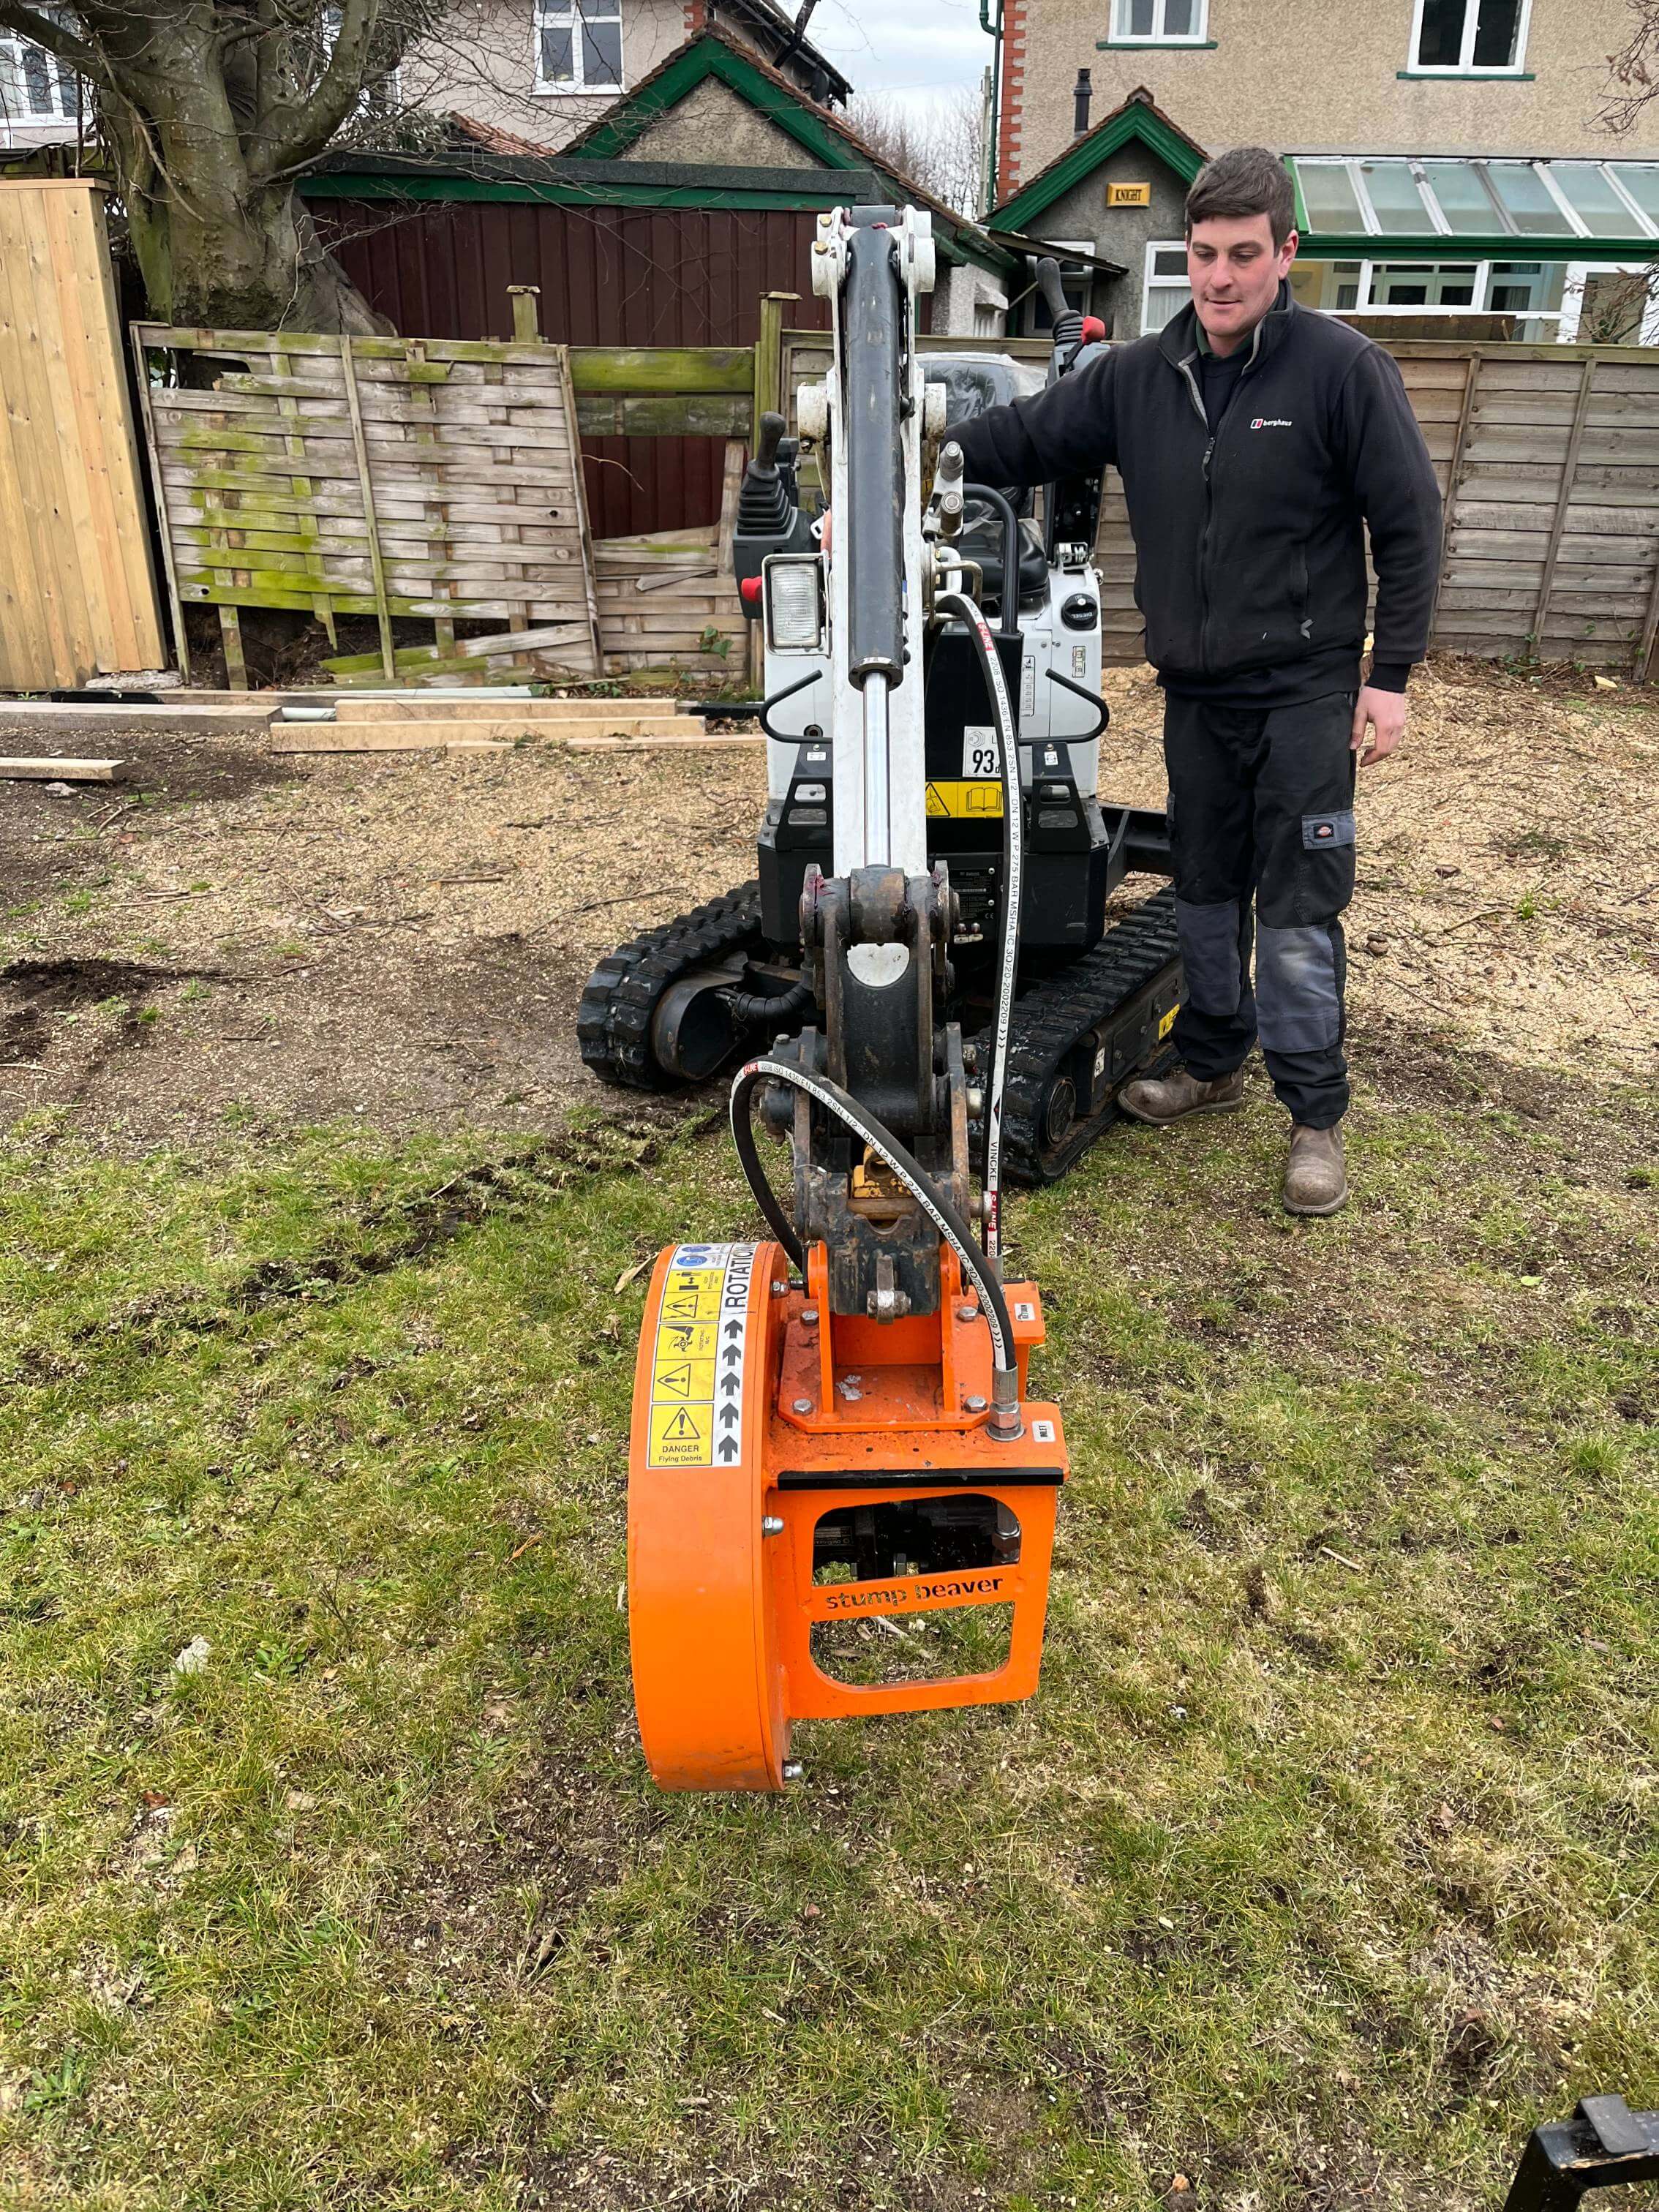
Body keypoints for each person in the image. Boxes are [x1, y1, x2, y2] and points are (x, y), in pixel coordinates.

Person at [947, 146, 1442, 1216]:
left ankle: (1314, 1117)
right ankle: (1213, 1064)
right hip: (1198, 696)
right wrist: (906, 463)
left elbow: (1411, 527)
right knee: (1206, 891)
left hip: (1306, 691)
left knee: (1299, 909)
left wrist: (1390, 675)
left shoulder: (1342, 371)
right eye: (1204, 254)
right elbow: (1016, 442)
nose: (1220, 277)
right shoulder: (1138, 378)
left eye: (1243, 255)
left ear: (1286, 253)